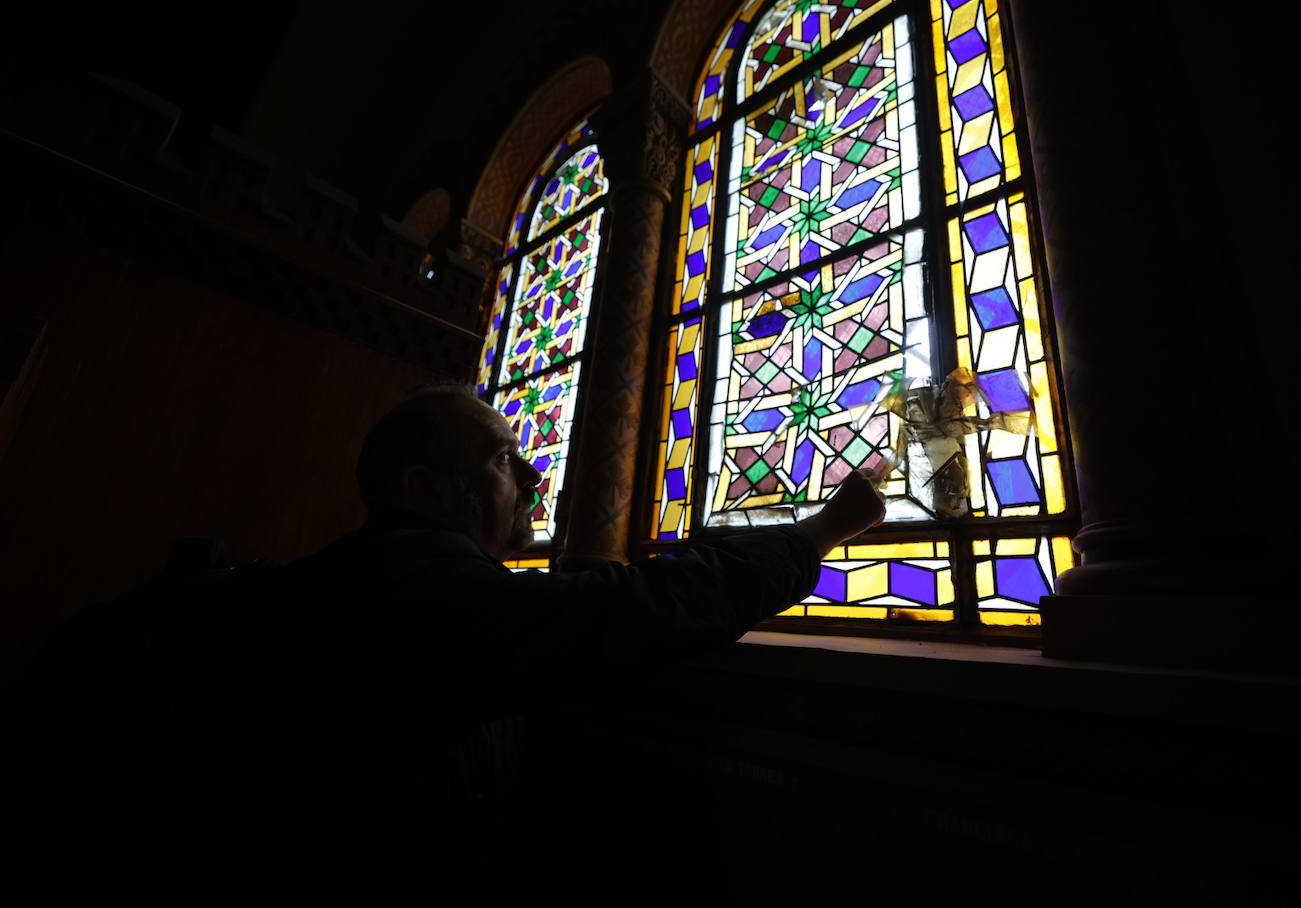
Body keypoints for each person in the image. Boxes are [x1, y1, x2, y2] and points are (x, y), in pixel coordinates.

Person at [69, 383, 889, 905]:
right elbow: (632, 609)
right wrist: (818, 530)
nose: (531, 478)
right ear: (420, 489)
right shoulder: (411, 595)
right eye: (503, 459)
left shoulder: (354, 577)